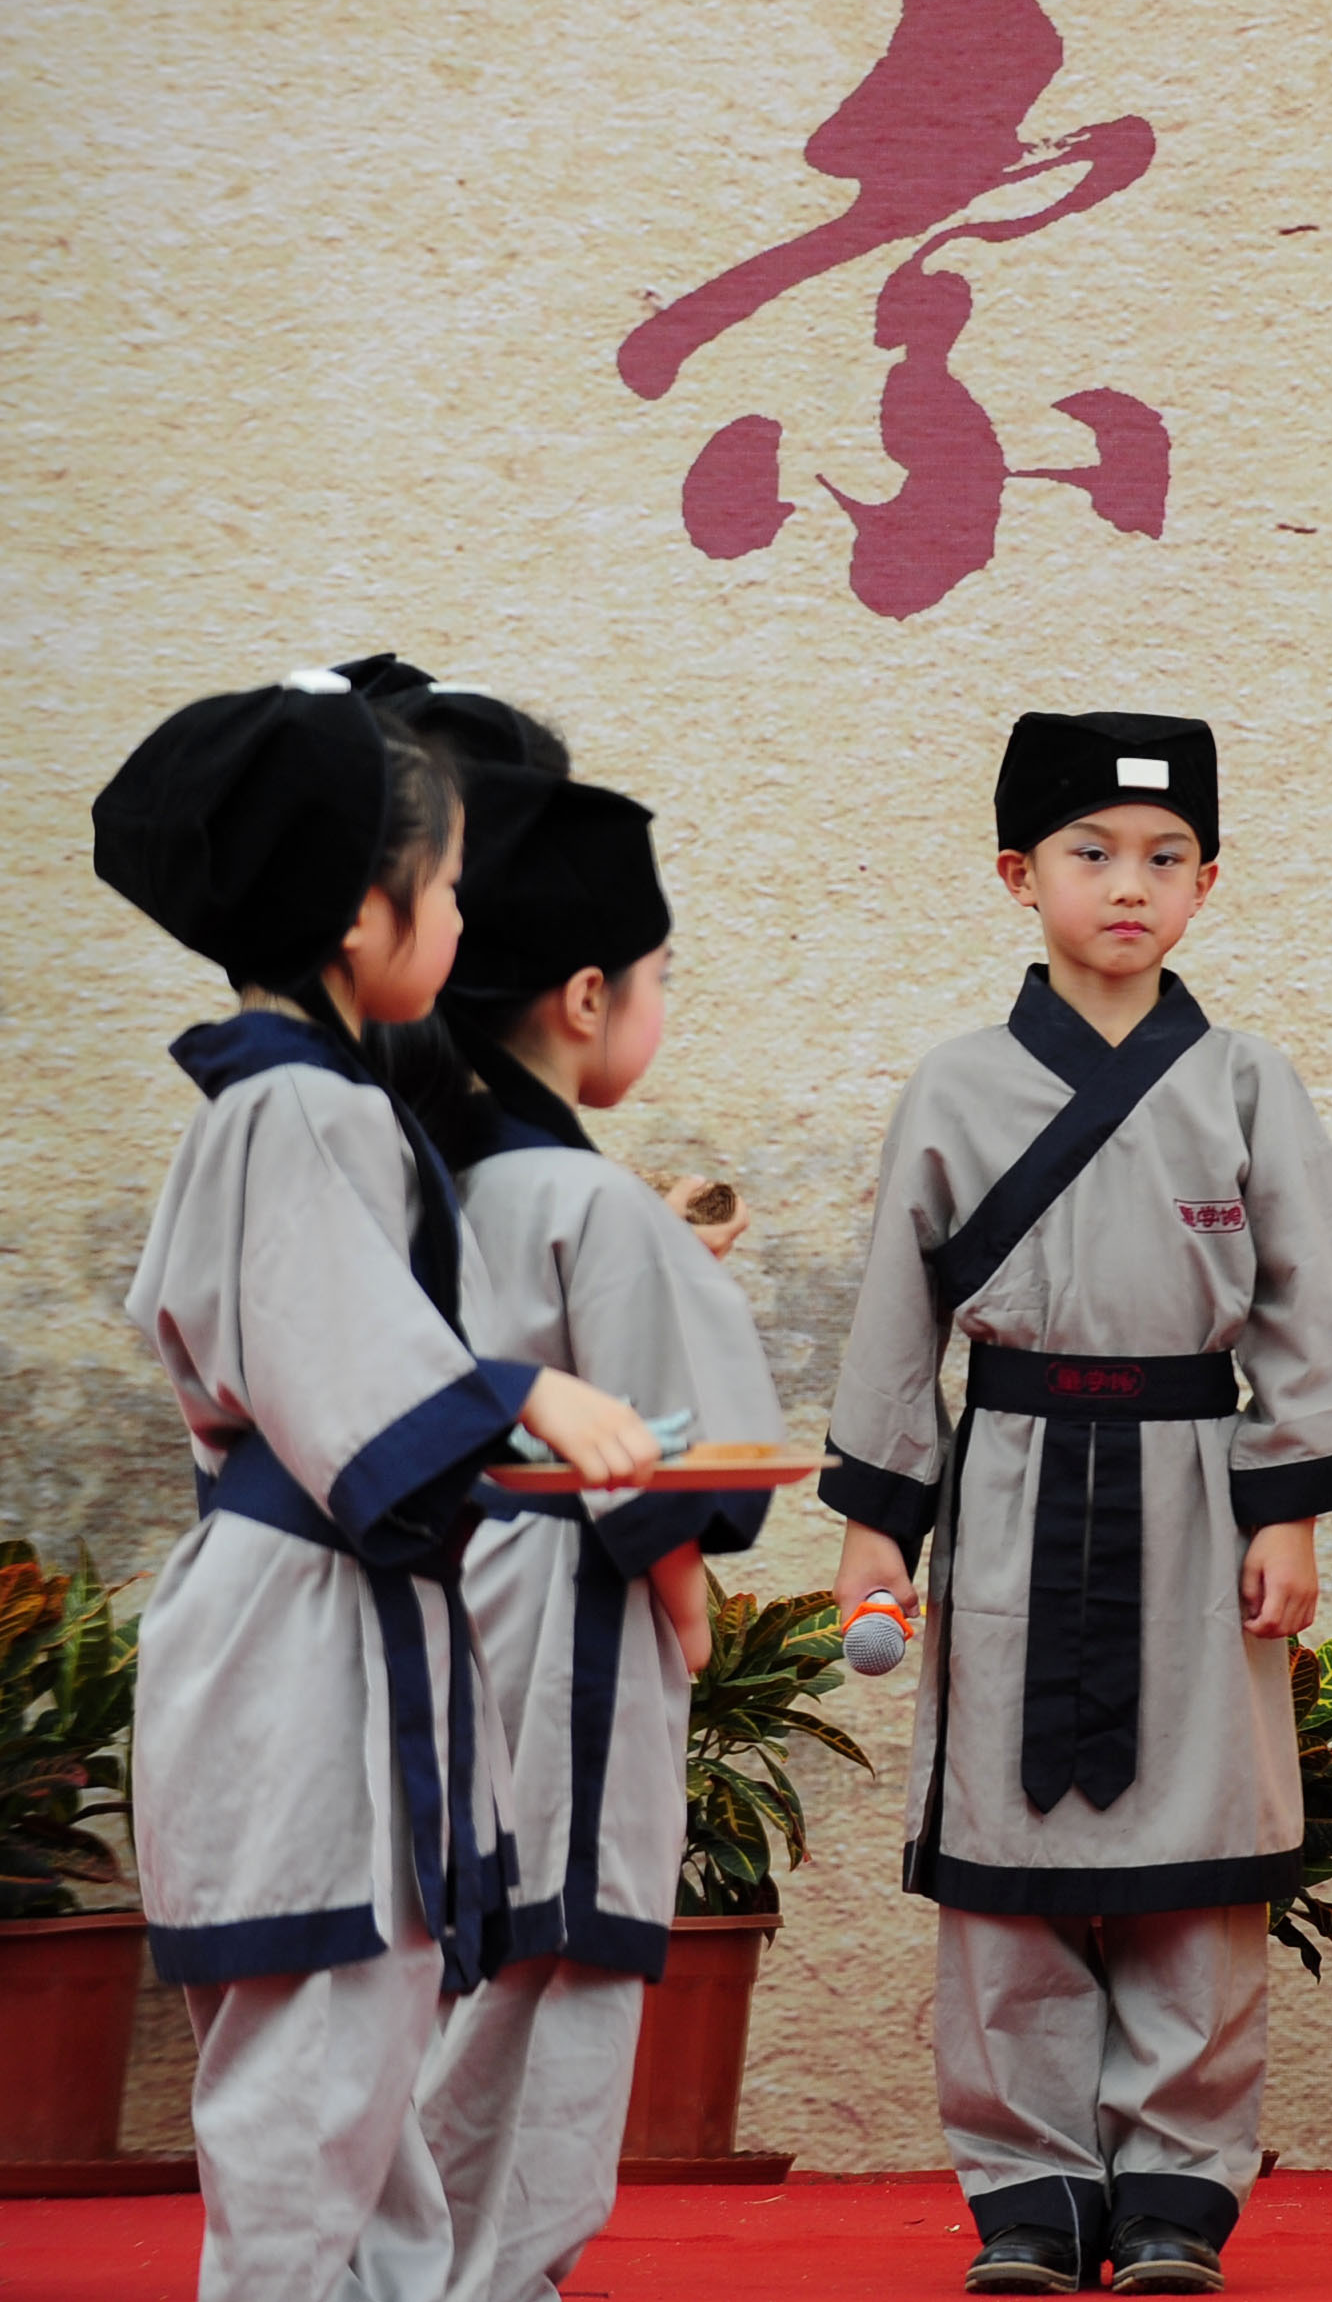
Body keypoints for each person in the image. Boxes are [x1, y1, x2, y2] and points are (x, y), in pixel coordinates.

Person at [823, 711, 1332, 2296]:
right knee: (1002, 1852)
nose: (1129, 885)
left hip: (1198, 1493)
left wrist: (1288, 1506)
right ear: (1017, 874)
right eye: (1092, 853)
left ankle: (1178, 2186)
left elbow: (1312, 1306)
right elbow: (896, 1324)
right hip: (1011, 1490)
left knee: (1203, 1850)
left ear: (1207, 884)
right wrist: (874, 1531)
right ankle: (1029, 2190)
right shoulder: (954, 1087)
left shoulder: (1245, 1082)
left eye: (1166, 858)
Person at [92, 674, 661, 2302]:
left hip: (327, 1624)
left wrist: (511, 1419)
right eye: (450, 884)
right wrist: (525, 1393)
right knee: (314, 2085)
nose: (467, 916)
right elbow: (349, 1382)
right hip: (298, 1645)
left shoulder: (310, 1102)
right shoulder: (294, 1108)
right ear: (363, 911)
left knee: (364, 2080)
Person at [409, 758, 789, 2302]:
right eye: (657, 978)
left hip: (436, 1593)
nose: (658, 1004)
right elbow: (665, 1458)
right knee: (564, 1941)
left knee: (473, 1940)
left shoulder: (419, 1173)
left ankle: (423, 2259)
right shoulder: (588, 1201)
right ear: (584, 997)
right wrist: (688, 1597)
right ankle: (486, 2270)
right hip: (567, 1606)